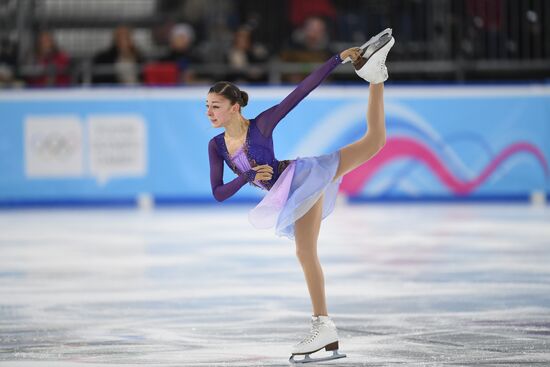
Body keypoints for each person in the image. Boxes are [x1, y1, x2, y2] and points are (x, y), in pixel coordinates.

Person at [206, 28, 394, 363]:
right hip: (288, 192)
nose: (209, 113)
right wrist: (248, 176)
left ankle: (324, 326)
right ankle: (376, 76)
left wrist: (337, 59)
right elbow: (219, 193)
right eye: (207, 106)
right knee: (373, 143)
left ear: (235, 108)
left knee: (306, 252)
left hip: (301, 179)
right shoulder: (216, 146)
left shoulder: (261, 125)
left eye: (216, 106)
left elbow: (300, 92)